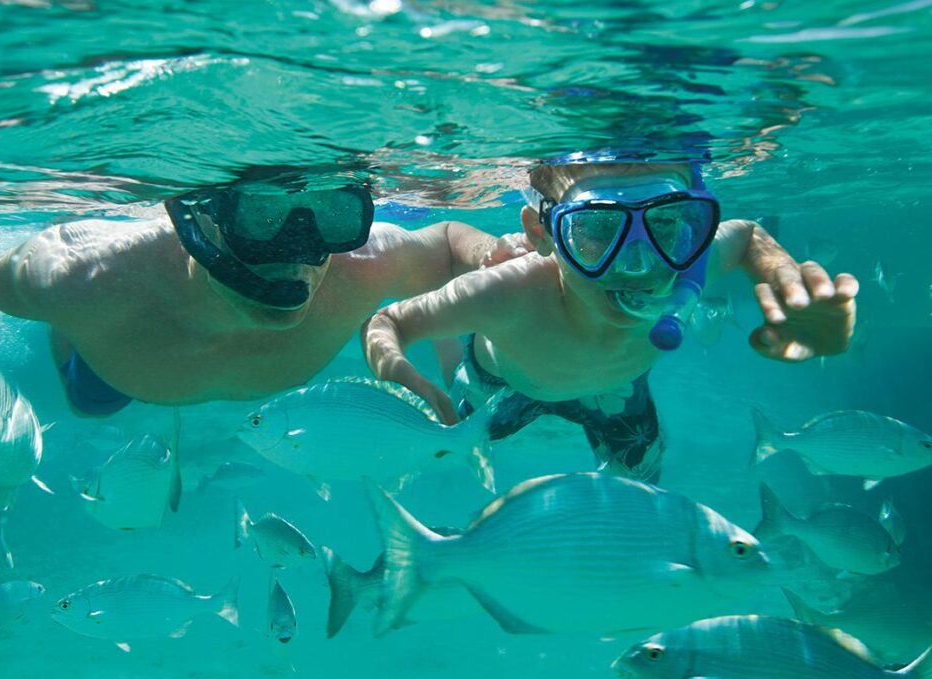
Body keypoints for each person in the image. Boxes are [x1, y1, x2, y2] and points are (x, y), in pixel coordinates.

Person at [363, 154, 859, 483]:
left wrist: (788, 283)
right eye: (598, 230)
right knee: (461, 440)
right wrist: (396, 367)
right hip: (502, 384)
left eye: (667, 223)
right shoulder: (503, 293)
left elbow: (747, 236)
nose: (640, 267)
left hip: (620, 393)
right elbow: (389, 322)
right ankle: (452, 323)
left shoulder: (688, 265)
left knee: (641, 501)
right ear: (543, 233)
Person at [0, 167, 512, 416]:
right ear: (198, 220)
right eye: (261, 216)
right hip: (112, 371)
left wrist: (495, 255)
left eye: (332, 214)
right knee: (88, 407)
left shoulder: (366, 264)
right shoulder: (82, 279)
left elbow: (448, 238)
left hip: (152, 367)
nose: (299, 257)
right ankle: (63, 341)